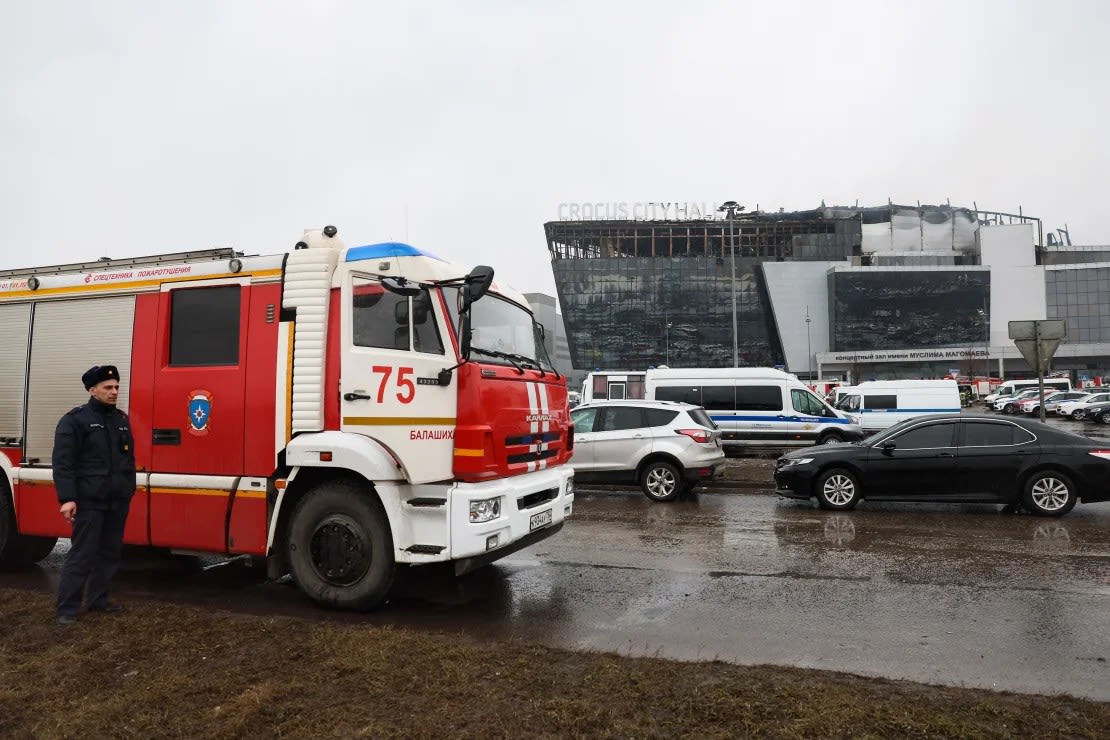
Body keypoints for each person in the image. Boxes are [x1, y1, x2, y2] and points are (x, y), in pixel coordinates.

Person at [53, 365, 136, 626]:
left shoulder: (121, 420)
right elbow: (64, 463)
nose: (114, 392)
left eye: (116, 387)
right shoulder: (75, 420)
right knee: (82, 555)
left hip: (116, 500)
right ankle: (67, 608)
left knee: (110, 554)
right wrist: (67, 498)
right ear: (92, 390)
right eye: (108, 387)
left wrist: (128, 489)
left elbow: (128, 460)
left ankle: (98, 600)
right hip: (89, 502)